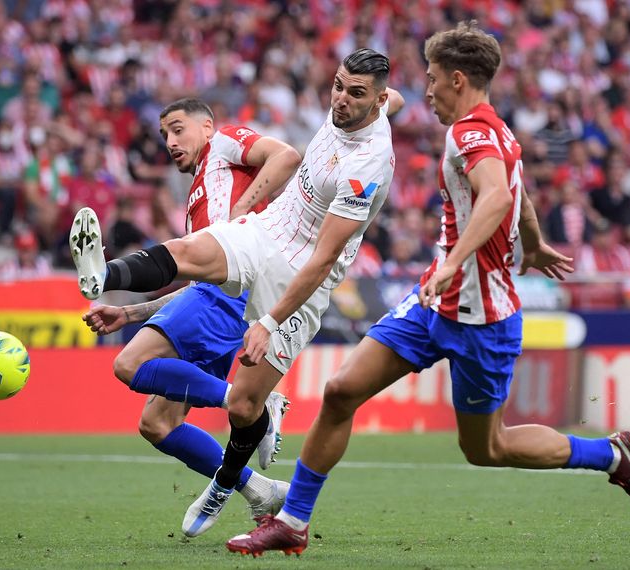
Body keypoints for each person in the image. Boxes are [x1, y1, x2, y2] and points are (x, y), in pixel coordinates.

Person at [224, 22, 630, 558]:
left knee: (487, 448)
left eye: (430, 80)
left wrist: (454, 259)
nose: (424, 91)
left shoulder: (468, 133)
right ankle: (293, 521)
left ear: (455, 80)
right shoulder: (498, 130)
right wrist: (536, 244)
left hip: (482, 320)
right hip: (432, 305)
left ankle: (612, 456)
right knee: (340, 392)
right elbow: (516, 192)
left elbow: (497, 196)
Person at [70, 49, 404, 538]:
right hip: (265, 232)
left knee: (244, 407)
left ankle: (234, 483)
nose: (341, 99)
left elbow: (322, 258)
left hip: (300, 274)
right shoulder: (365, 105)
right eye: (338, 85)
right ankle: (104, 275)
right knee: (187, 251)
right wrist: (136, 308)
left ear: (372, 102)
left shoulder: (369, 163)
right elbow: (390, 98)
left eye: (356, 94)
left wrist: (268, 324)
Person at [78, 97, 303, 524]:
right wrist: (129, 315)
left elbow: (287, 155)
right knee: (157, 424)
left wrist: (240, 211)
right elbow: (196, 282)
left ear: (207, 127)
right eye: (164, 134)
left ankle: (256, 401)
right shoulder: (198, 198)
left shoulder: (224, 144)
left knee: (129, 364)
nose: (170, 141)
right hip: (223, 298)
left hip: (233, 292)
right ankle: (258, 489)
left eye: (178, 129)